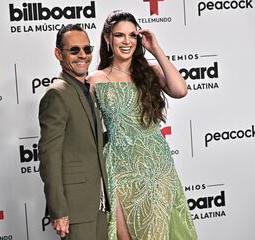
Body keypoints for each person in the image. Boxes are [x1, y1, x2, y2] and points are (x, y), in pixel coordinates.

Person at [87, 10, 198, 240]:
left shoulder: (150, 72)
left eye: (132, 35)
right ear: (108, 38)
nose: (126, 42)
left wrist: (155, 49)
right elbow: (91, 130)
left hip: (157, 167)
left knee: (158, 233)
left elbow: (180, 90)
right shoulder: (95, 79)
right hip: (120, 167)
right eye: (119, 35)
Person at [38, 24, 109, 240]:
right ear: (59, 54)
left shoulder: (90, 89)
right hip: (75, 208)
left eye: (87, 49)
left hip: (100, 202)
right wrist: (58, 211)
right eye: (74, 50)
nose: (82, 56)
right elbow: (49, 157)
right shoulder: (57, 94)